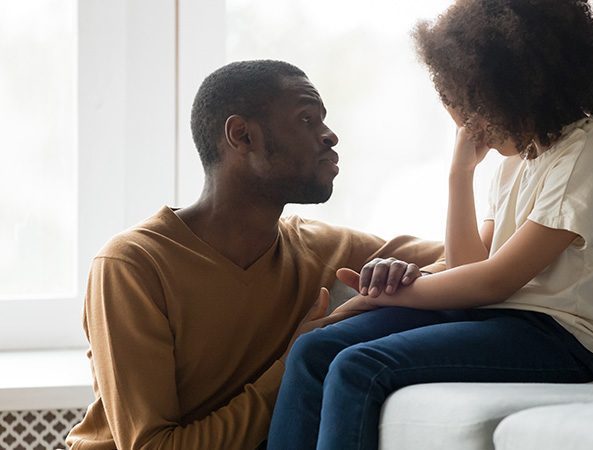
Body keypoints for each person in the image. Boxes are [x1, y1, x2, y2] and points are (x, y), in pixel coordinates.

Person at [266, 0, 593, 449]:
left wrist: (394, 295)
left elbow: (492, 282)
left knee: (360, 367)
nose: (469, 128)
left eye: (474, 110)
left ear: (520, 91)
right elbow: (470, 263)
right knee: (314, 352)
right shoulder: (524, 158)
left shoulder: (587, 159)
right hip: (503, 318)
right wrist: (460, 174)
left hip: (566, 340)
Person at [65, 60, 444, 450]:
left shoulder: (324, 249)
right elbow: (154, 447)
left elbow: (471, 257)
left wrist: (404, 274)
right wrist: (294, 363)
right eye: (307, 119)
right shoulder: (133, 265)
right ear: (242, 135)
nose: (330, 136)